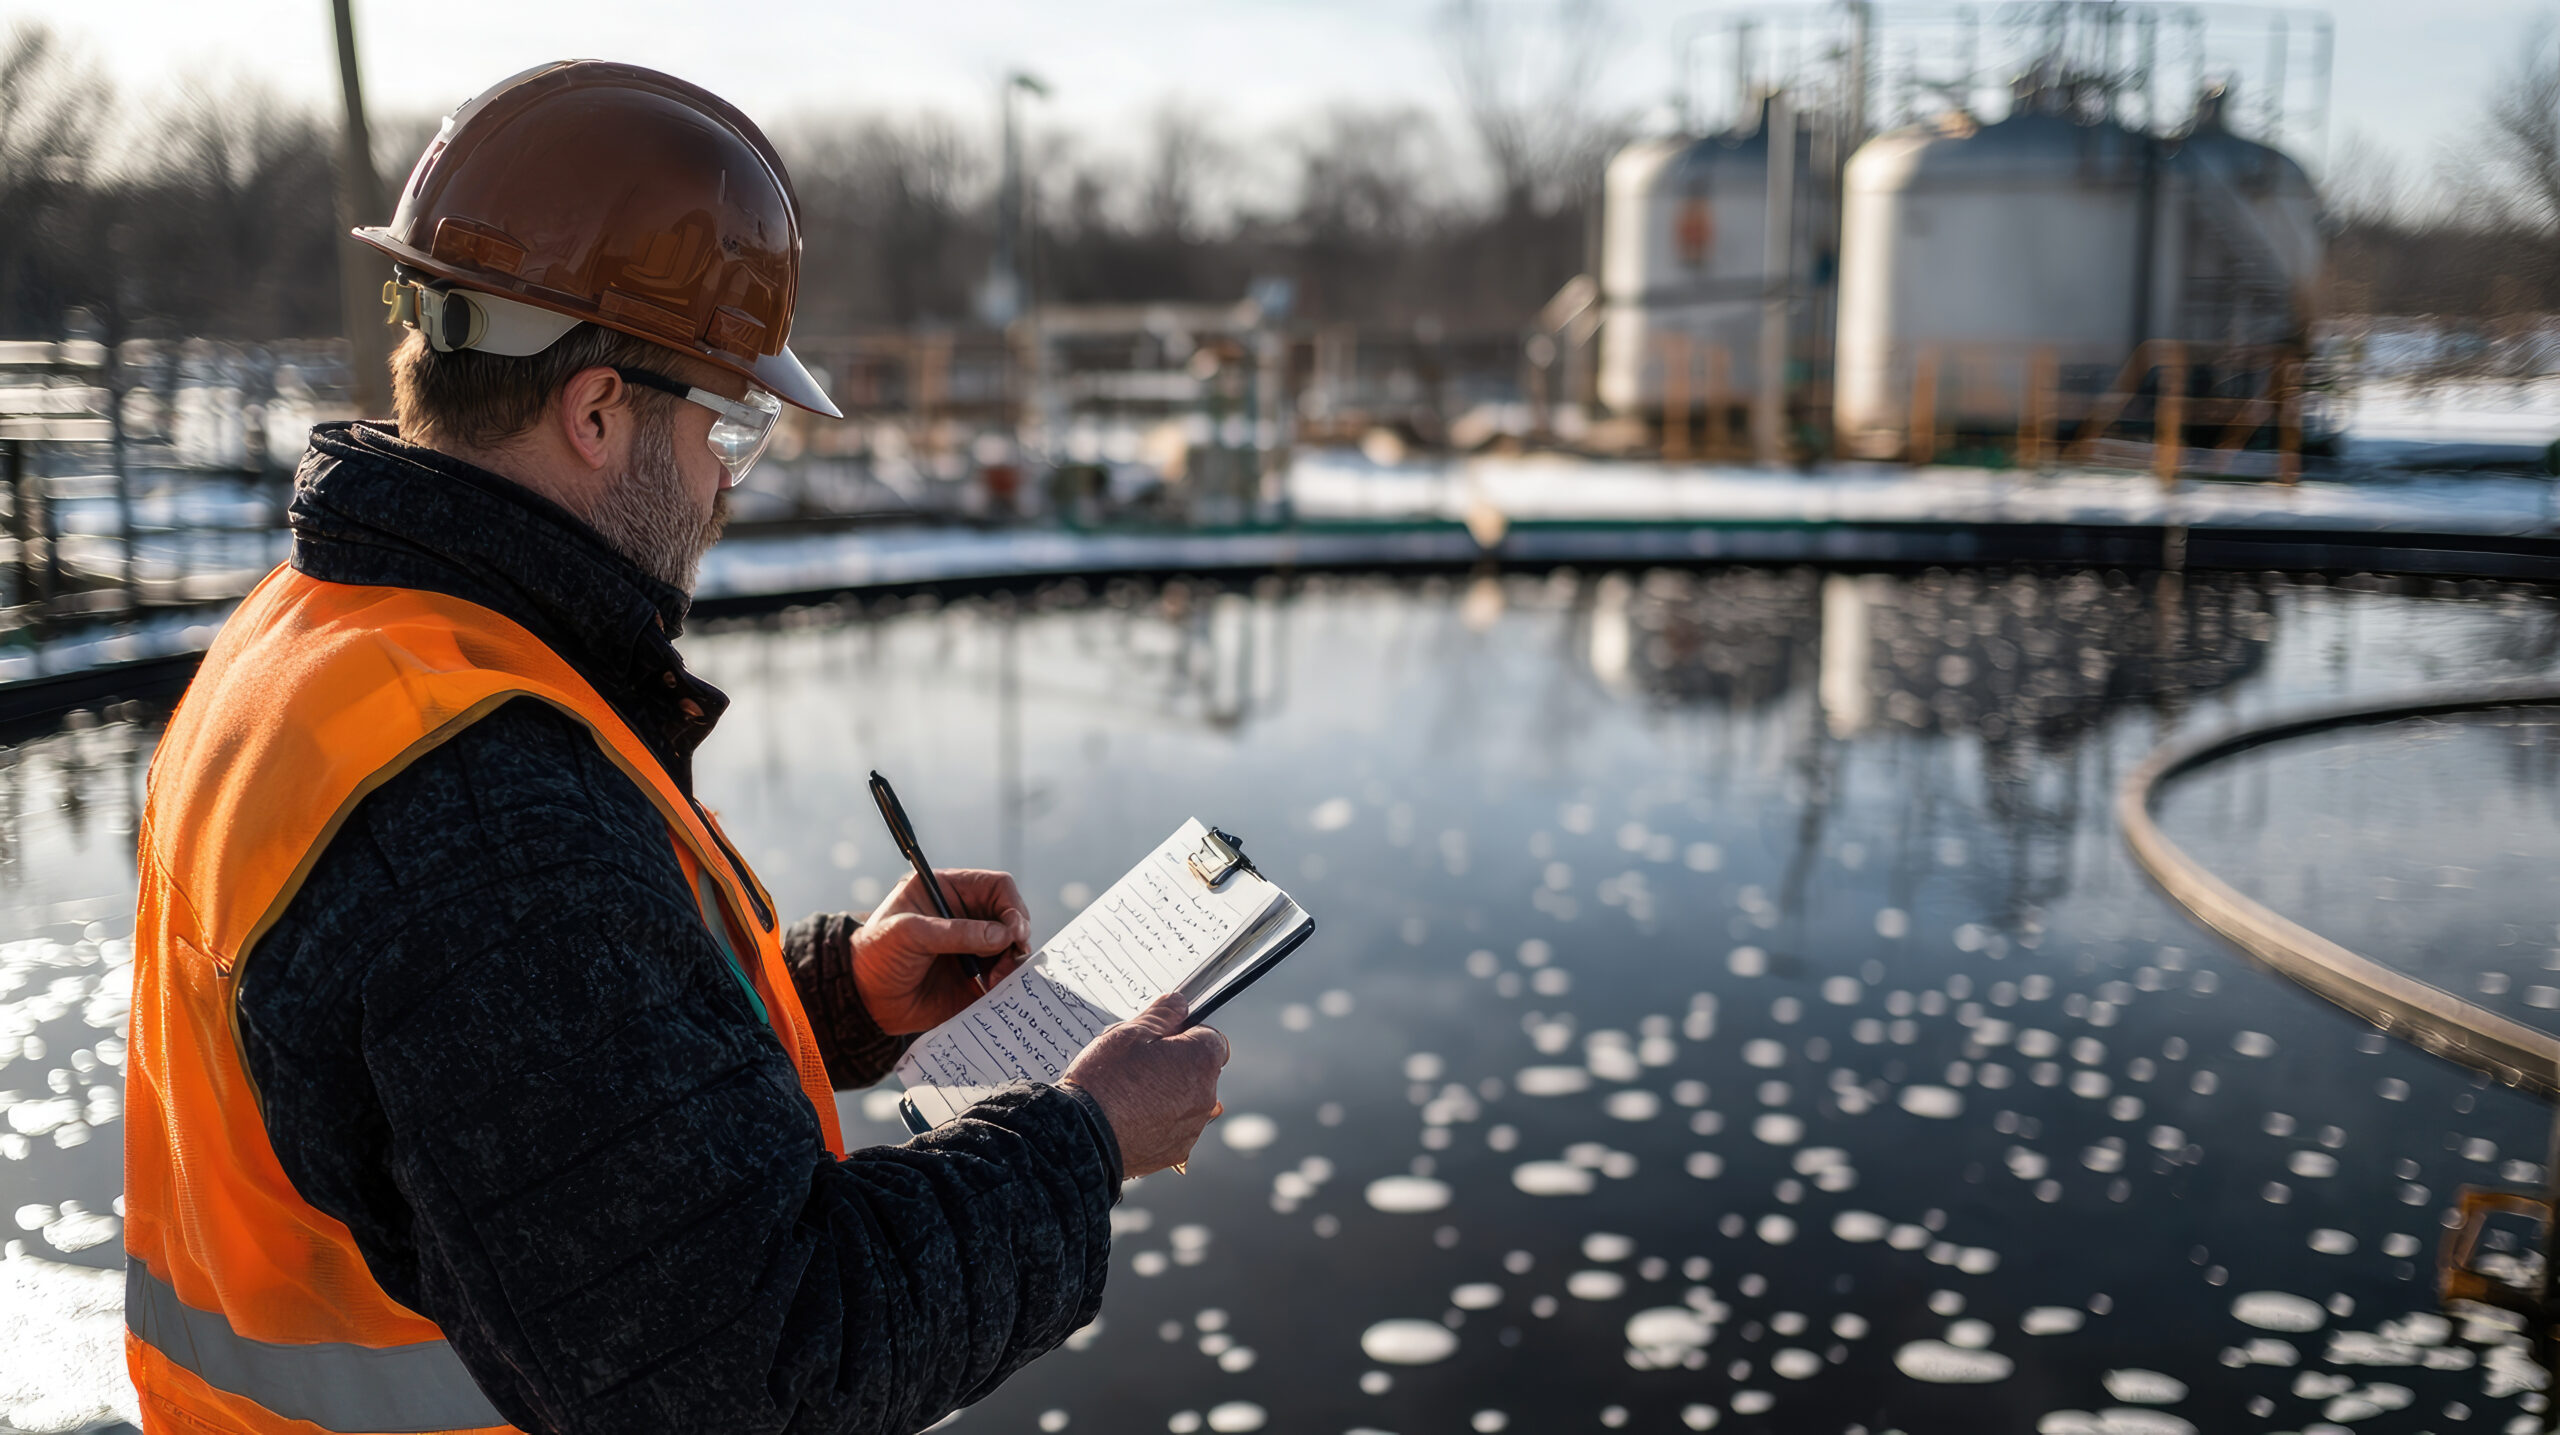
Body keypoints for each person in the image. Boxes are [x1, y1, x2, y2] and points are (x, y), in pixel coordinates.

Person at [123, 60, 1230, 1435]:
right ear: (595, 413)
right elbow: (762, 1360)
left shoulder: (322, 643)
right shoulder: (478, 815)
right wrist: (1085, 1142)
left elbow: (501, 1112)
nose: (727, 482)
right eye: (733, 425)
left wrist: (833, 999)